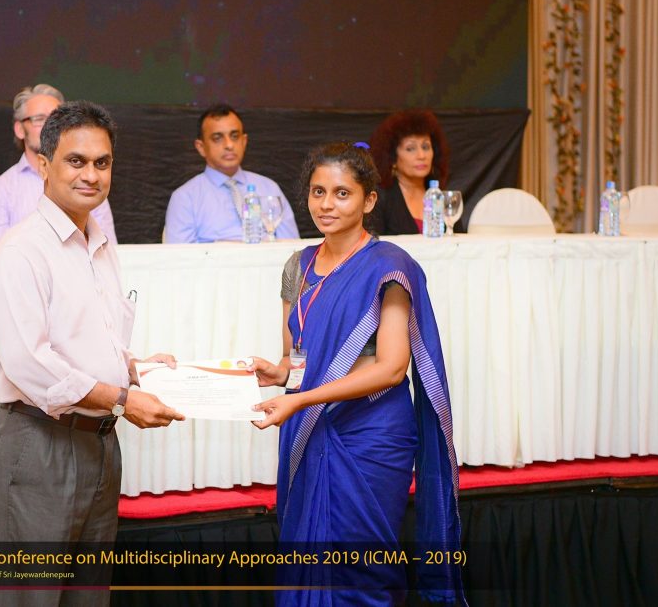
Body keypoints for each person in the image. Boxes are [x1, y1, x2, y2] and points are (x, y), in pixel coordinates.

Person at [0, 100, 183, 607]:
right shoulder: (21, 250)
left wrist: (135, 367)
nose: (91, 175)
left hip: (99, 445)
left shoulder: (100, 243)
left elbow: (90, 340)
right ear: (43, 165)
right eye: (76, 161)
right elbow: (31, 364)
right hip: (37, 445)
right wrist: (123, 399)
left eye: (102, 162)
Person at [249, 142, 464, 605]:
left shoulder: (389, 266)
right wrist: (278, 372)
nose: (326, 204)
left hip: (371, 433)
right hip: (310, 426)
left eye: (342, 193)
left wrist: (300, 398)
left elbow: (391, 368)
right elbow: (298, 357)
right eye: (318, 192)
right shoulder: (298, 266)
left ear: (369, 200)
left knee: (364, 566)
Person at [0, 84, 117, 245]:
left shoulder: (88, 186)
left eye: (56, 120)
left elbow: (107, 250)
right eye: (39, 119)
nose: (49, 127)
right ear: (20, 129)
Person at [164, 103, 299, 243]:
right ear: (201, 147)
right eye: (217, 138)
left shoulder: (269, 188)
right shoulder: (185, 198)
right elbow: (179, 255)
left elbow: (292, 247)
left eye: (235, 136)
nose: (229, 145)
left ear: (244, 141)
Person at [368, 108, 450, 235]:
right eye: (410, 149)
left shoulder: (438, 194)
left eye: (426, 147)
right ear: (392, 157)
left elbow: (460, 241)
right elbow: (373, 244)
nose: (421, 155)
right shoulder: (380, 198)